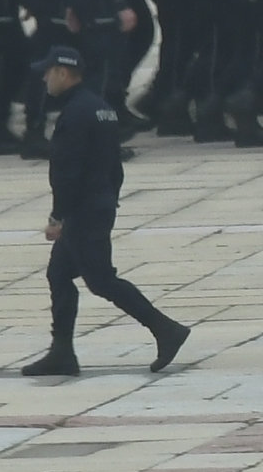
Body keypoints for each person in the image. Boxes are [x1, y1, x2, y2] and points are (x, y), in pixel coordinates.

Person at [27, 42, 187, 377]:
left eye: (48, 72)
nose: (44, 79)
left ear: (62, 72)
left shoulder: (75, 114)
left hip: (83, 211)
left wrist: (58, 217)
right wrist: (107, 198)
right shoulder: (102, 108)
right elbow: (115, 164)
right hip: (99, 204)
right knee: (59, 273)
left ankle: (165, 329)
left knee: (101, 280)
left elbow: (67, 173)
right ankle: (62, 351)